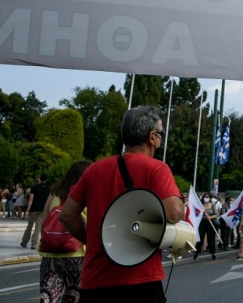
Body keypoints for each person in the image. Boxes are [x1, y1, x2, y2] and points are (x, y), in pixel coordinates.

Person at [59, 106, 184, 302]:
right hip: (139, 280)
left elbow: (67, 215)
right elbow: (174, 213)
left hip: (95, 281)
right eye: (161, 134)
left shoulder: (94, 169)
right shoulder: (157, 169)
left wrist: (98, 241)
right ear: (152, 137)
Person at [38, 160, 91, 303]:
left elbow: (44, 222)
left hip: (51, 255)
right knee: (74, 297)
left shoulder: (54, 194)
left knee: (49, 297)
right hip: (77, 254)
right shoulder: (87, 195)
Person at [22, 173, 53, 250]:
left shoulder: (35, 187)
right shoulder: (49, 189)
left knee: (29, 225)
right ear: (46, 179)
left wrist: (28, 209)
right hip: (43, 210)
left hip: (34, 209)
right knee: (38, 227)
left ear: (39, 178)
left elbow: (31, 199)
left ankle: (24, 241)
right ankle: (34, 244)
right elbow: (50, 201)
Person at [193, 194, 217, 260]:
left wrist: (210, 217)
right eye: (205, 197)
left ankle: (213, 253)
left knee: (211, 238)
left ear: (210, 198)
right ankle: (197, 253)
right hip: (202, 222)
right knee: (200, 238)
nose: (206, 198)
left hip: (210, 222)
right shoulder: (201, 205)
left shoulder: (212, 205)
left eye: (207, 197)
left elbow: (216, 214)